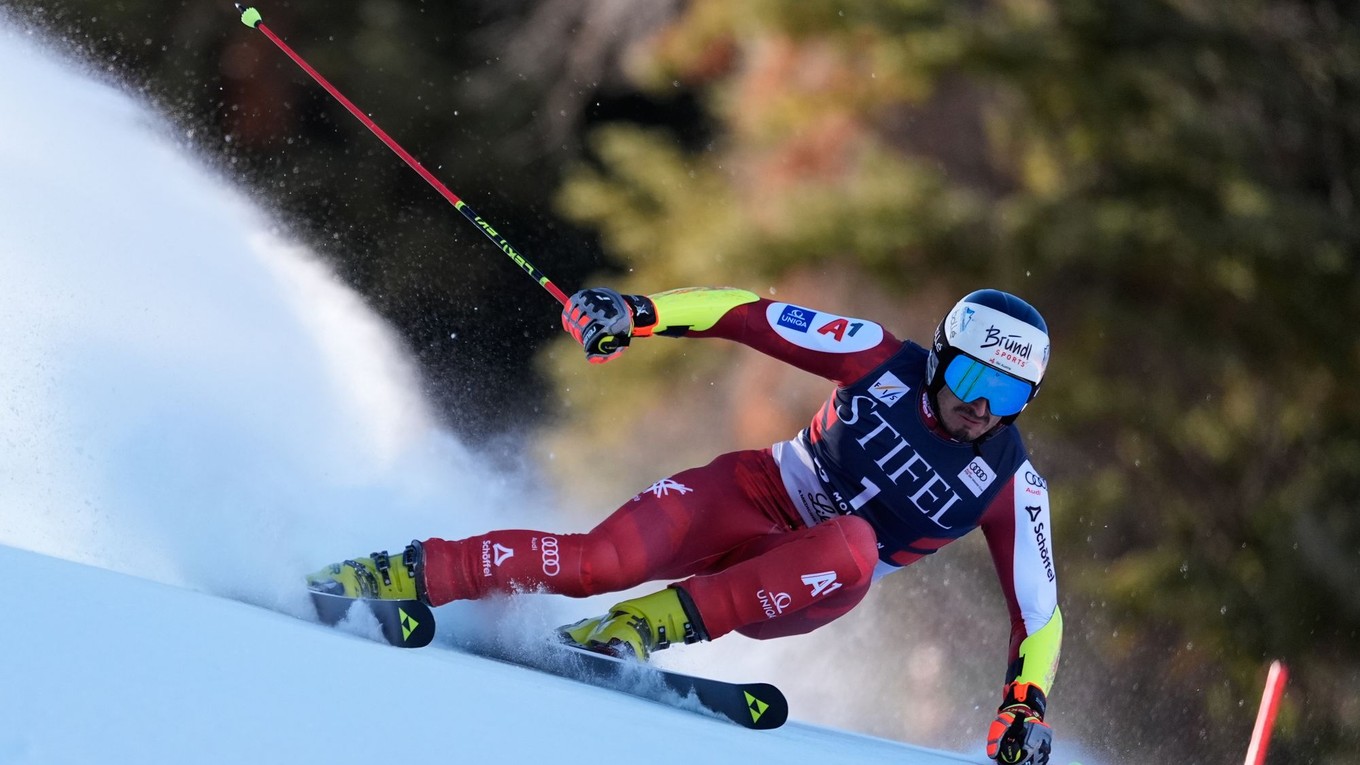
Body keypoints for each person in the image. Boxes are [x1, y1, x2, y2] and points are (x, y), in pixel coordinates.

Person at [309, 285, 1062, 764]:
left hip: (807, 579)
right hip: (758, 490)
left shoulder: (1013, 482)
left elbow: (1040, 613)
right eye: (970, 378)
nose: (982, 406)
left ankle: (641, 626)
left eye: (1009, 393)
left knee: (855, 544)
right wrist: (637, 314)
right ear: (939, 359)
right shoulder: (876, 356)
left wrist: (1023, 707)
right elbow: (749, 314)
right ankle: (401, 570)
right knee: (595, 561)